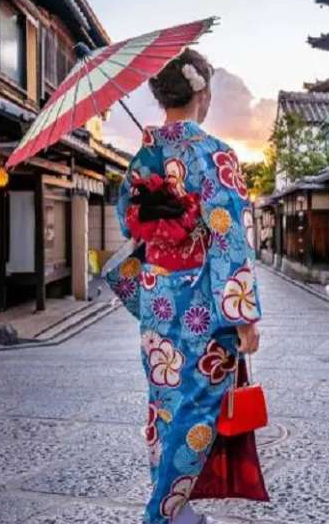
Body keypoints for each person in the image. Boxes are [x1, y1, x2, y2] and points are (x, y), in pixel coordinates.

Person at [105, 48, 261, 524]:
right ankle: (163, 513)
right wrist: (243, 315)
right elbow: (229, 234)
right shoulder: (215, 155)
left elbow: (128, 223)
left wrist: (161, 200)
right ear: (202, 92)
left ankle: (181, 508)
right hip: (201, 302)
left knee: (165, 404)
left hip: (158, 297)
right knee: (198, 410)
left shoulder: (143, 160)